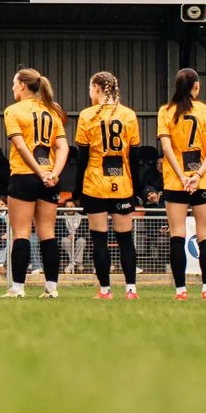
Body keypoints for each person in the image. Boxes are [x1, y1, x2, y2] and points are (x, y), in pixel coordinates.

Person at [68, 72, 143, 298]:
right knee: (125, 239)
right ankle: (131, 290)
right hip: (122, 185)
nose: (90, 92)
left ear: (98, 88)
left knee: (99, 239)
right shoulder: (129, 115)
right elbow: (134, 157)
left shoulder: (87, 115)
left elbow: (82, 157)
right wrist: (135, 189)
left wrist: (77, 189)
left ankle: (105, 290)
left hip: (94, 185)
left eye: (90, 88)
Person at [0, 68, 70, 299]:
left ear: (22, 85)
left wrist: (39, 172)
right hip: (50, 178)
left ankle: (18, 287)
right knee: (47, 233)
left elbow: (20, 146)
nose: (12, 88)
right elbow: (63, 147)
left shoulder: (13, 111)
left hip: (24, 175)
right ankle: (51, 287)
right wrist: (53, 173)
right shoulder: (51, 112)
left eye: (13, 84)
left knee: (21, 233)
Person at [156, 68, 206, 300]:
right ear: (196, 86)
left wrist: (183, 176)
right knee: (205, 234)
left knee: (178, 234)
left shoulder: (166, 112)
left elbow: (166, 148)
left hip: (176, 182)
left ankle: (181, 290)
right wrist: (197, 175)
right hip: (203, 181)